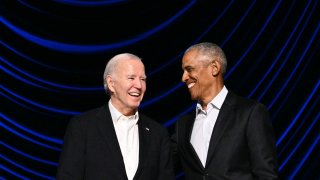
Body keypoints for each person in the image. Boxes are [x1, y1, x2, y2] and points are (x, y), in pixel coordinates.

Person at [57, 53, 175, 180]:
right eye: (131, 78)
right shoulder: (82, 127)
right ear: (111, 83)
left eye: (143, 79)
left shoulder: (158, 134)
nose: (139, 86)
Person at [171, 42, 279, 179]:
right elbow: (159, 164)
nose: (183, 77)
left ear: (214, 68)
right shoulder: (183, 125)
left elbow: (266, 175)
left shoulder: (250, 113)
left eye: (189, 69)